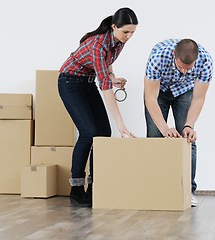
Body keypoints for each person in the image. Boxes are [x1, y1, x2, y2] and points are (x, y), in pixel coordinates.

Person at [58, 7, 138, 207]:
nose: (129, 36)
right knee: (89, 132)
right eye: (125, 32)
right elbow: (105, 89)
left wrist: (113, 77)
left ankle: (94, 187)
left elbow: (106, 64)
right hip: (70, 82)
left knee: (103, 132)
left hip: (87, 81)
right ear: (113, 27)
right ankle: (76, 189)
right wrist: (121, 124)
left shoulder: (118, 42)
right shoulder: (97, 44)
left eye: (132, 32)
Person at [143, 38, 213, 207]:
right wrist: (165, 129)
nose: (183, 70)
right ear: (174, 54)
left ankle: (188, 190)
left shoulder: (205, 61)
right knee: (155, 136)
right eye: (180, 66)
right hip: (158, 93)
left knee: (188, 138)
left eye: (187, 68)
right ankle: (156, 188)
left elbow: (199, 97)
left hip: (185, 92)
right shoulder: (158, 57)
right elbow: (150, 98)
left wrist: (189, 125)